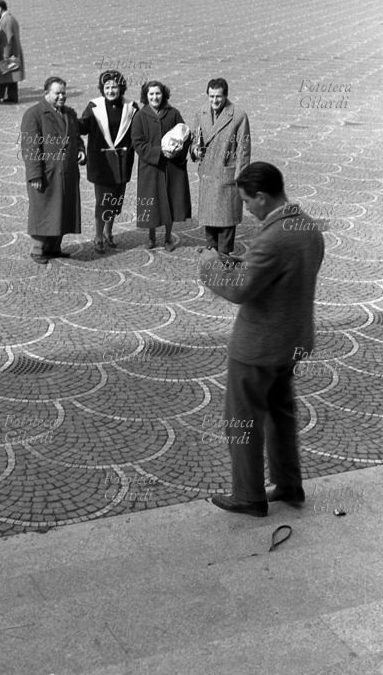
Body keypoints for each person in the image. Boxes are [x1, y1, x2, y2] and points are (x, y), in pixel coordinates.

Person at [198, 162, 324, 517]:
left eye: (248, 202)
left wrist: (210, 264)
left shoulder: (273, 237)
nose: (247, 210)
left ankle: (248, 495)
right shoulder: (307, 228)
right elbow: (281, 274)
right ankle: (288, 484)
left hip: (258, 347)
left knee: (241, 420)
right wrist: (242, 260)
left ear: (263, 196)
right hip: (293, 341)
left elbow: (241, 290)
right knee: (280, 414)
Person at [20, 77, 86, 262]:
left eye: (64, 93)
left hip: (67, 173)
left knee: (62, 211)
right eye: (57, 93)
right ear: (46, 93)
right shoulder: (34, 114)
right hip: (46, 174)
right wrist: (34, 175)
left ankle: (54, 247)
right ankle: (38, 250)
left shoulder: (70, 114)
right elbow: (30, 148)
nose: (61, 97)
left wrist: (81, 150)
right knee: (43, 211)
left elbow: (76, 137)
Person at [79, 70, 137, 253]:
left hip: (121, 162)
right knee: (103, 201)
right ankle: (98, 235)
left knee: (116, 200)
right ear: (102, 88)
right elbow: (83, 126)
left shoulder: (131, 107)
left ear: (121, 88)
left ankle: (108, 232)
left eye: (114, 87)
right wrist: (69, 121)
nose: (111, 90)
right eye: (107, 87)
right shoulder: (94, 106)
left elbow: (140, 131)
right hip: (101, 162)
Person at [191, 78, 250, 254]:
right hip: (208, 172)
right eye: (211, 96)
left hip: (226, 173)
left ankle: (224, 256)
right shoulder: (200, 113)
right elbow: (195, 140)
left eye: (218, 97)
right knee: (209, 216)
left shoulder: (238, 116)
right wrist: (195, 151)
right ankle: (210, 249)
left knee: (225, 219)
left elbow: (243, 150)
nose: (214, 101)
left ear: (226, 96)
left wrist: (241, 178)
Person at [131, 80, 191, 251]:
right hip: (151, 167)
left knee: (170, 200)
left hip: (172, 166)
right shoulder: (140, 116)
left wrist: (176, 151)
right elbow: (138, 143)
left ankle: (167, 237)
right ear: (146, 96)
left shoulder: (173, 113)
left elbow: (185, 134)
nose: (155, 97)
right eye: (151, 94)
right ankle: (151, 236)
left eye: (158, 93)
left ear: (163, 94)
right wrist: (159, 152)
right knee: (151, 201)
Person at [0, 0, 24, 104]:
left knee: (2, 74)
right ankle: (11, 97)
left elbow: (8, 39)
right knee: (11, 76)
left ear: (0, 8)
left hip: (6, 52)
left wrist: (5, 55)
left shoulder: (6, 20)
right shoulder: (11, 18)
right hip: (14, 51)